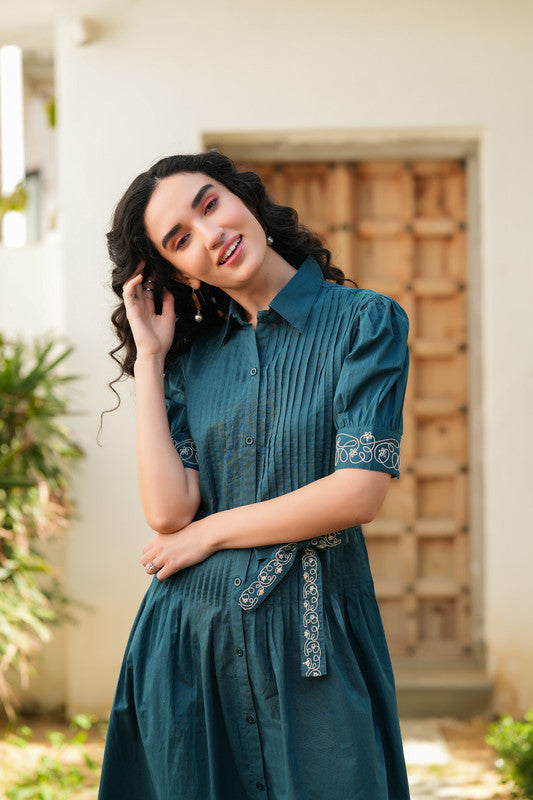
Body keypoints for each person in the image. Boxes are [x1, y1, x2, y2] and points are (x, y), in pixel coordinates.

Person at [98, 151, 411, 800]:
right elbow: (168, 513)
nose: (209, 235)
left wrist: (209, 535)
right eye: (179, 240)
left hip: (311, 635)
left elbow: (358, 492)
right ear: (174, 271)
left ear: (245, 199)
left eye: (209, 204)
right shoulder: (189, 360)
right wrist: (152, 359)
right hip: (187, 643)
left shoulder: (363, 323)